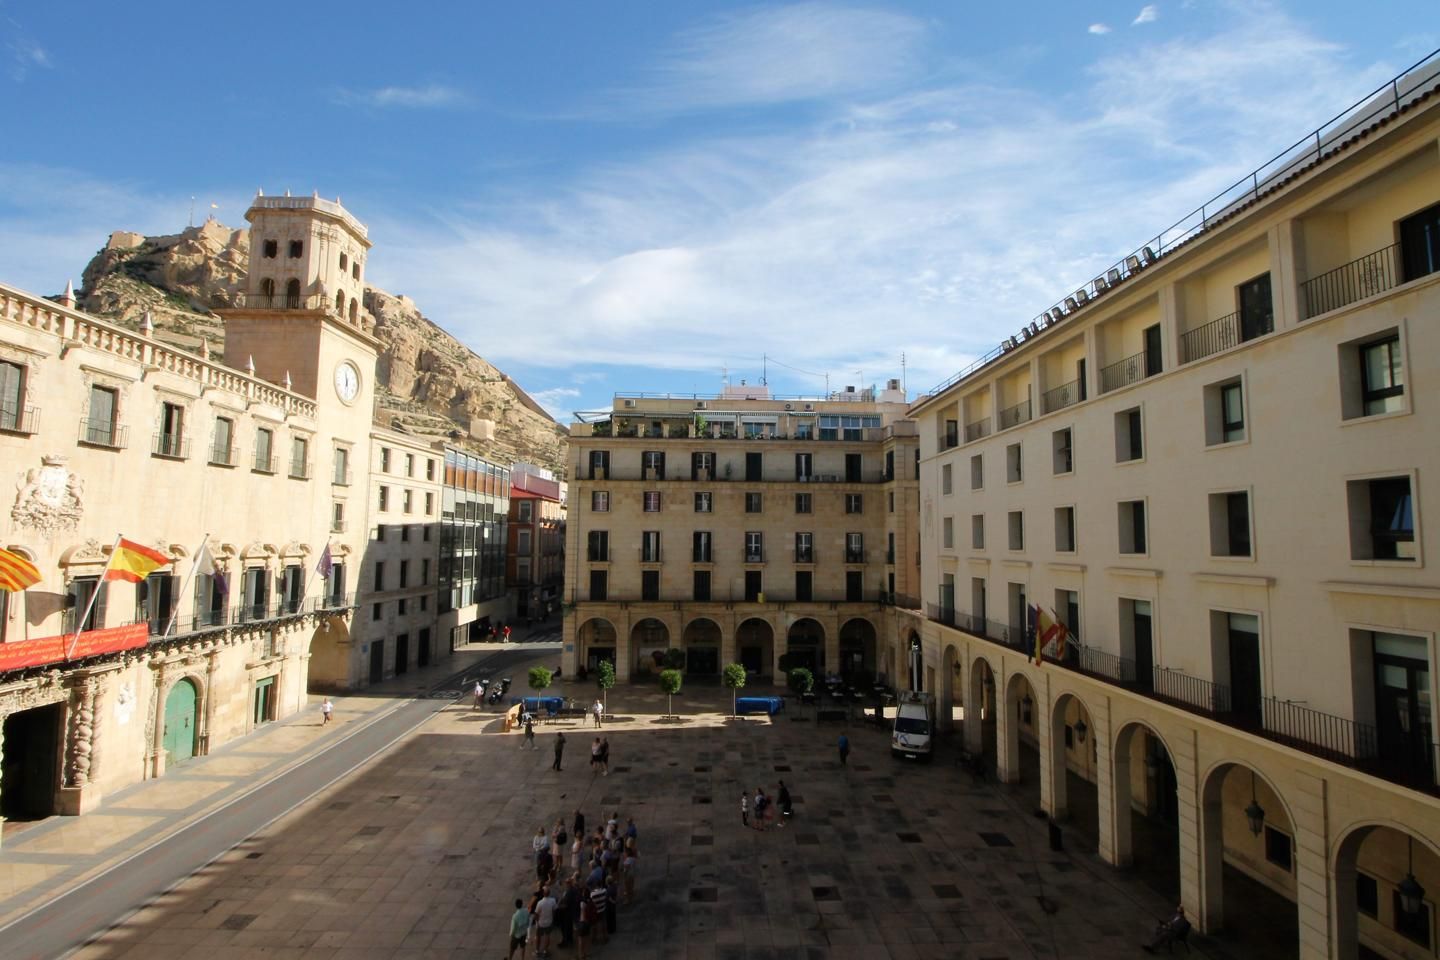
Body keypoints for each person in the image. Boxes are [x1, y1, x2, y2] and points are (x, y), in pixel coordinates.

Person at [534, 885, 556, 959]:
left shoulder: (540, 903)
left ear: (543, 894)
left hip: (541, 922)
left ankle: (537, 951)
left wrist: (537, 921)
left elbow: (536, 914)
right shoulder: (553, 901)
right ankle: (545, 951)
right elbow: (554, 910)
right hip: (549, 922)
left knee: (538, 936)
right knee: (547, 936)